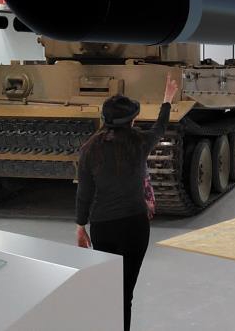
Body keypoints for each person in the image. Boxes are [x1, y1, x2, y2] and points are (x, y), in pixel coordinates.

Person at [75, 74, 179, 331]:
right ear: (131, 121)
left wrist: (80, 226)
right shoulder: (139, 143)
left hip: (102, 227)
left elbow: (84, 192)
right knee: (125, 293)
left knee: (110, 289)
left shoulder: (89, 149)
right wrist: (167, 99)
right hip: (134, 226)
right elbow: (160, 128)